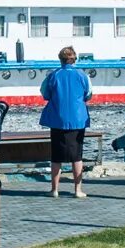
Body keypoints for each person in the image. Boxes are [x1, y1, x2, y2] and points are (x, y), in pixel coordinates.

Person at [41, 46, 93, 196]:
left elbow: (45, 93)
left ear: (60, 59)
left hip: (58, 119)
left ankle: (54, 189)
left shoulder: (53, 75)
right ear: (74, 59)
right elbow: (88, 94)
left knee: (56, 156)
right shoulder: (82, 75)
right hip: (78, 119)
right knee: (77, 156)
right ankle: (78, 190)